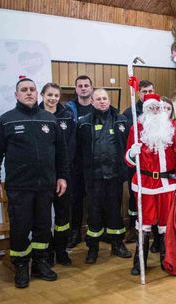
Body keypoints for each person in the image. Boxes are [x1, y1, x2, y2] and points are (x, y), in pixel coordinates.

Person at [0, 78, 69, 288]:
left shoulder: (49, 119)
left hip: (45, 186)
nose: (29, 93)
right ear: (16, 95)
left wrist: (62, 176)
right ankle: (21, 265)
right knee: (20, 228)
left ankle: (41, 263)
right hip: (19, 187)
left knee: (43, 227)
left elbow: (61, 152)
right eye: (24, 90)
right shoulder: (6, 120)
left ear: (37, 94)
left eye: (32, 89)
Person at [125, 94, 176, 276]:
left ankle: (165, 259)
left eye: (157, 107)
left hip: (167, 183)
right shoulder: (136, 128)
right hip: (144, 184)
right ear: (145, 109)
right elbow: (128, 162)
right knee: (144, 224)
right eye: (150, 107)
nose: (155, 110)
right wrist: (131, 153)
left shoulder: (171, 127)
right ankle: (140, 261)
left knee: (164, 224)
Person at [76, 88, 131, 264]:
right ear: (92, 101)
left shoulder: (122, 120)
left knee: (115, 212)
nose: (102, 101)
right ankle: (93, 248)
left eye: (104, 98)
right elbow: (77, 151)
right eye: (98, 99)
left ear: (109, 100)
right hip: (93, 178)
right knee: (94, 214)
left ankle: (117, 244)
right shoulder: (83, 123)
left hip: (115, 177)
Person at [39, 83, 75, 266]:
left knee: (62, 217)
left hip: (63, 175)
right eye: (49, 95)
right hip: (42, 176)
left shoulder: (67, 117)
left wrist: (64, 172)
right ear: (42, 95)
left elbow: (70, 146)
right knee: (43, 217)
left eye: (56, 95)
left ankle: (61, 251)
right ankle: (47, 252)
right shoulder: (35, 116)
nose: (52, 98)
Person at [122, 80, 155, 244]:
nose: (147, 94)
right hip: (136, 164)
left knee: (153, 197)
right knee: (135, 197)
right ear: (139, 93)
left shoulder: (157, 111)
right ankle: (133, 229)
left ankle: (152, 228)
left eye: (150, 90)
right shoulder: (130, 113)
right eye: (144, 91)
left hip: (153, 164)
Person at [66, 75, 94, 249]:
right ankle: (75, 233)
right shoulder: (68, 110)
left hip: (94, 164)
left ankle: (95, 233)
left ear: (91, 88)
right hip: (74, 165)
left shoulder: (98, 108)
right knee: (75, 201)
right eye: (80, 86)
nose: (83, 88)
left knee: (94, 200)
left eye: (86, 85)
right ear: (75, 89)